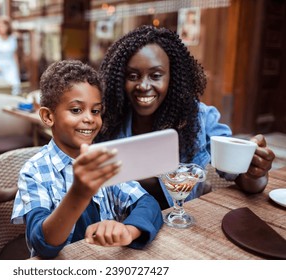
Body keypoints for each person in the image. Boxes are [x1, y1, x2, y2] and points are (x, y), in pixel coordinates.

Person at [95, 25, 275, 209]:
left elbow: (244, 181)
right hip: (118, 226)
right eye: (133, 76)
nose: (143, 85)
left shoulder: (200, 118)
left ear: (172, 77)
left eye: (156, 75)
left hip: (178, 225)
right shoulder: (106, 117)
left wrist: (256, 172)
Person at [10, 60, 163, 259]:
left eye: (95, 110)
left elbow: (148, 203)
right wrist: (79, 193)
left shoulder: (105, 159)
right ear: (48, 116)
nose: (90, 119)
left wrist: (128, 231)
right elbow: (42, 243)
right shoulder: (35, 172)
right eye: (76, 110)